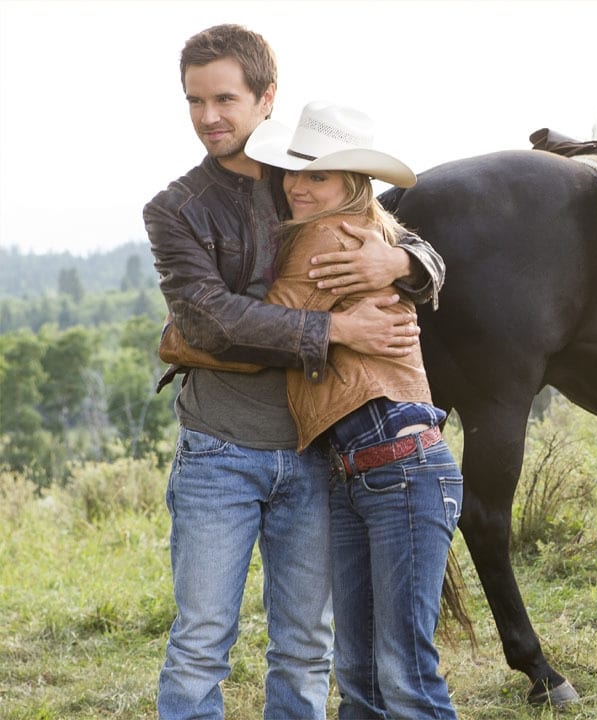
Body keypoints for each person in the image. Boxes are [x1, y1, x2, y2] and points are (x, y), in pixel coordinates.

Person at [145, 24, 446, 719]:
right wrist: (340, 328)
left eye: (225, 98)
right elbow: (210, 322)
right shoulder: (177, 210)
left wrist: (400, 263)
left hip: (318, 455)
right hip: (219, 449)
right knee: (200, 642)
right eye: (194, 100)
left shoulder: (305, 181)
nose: (208, 116)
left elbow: (408, 241)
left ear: (266, 97)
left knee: (307, 644)